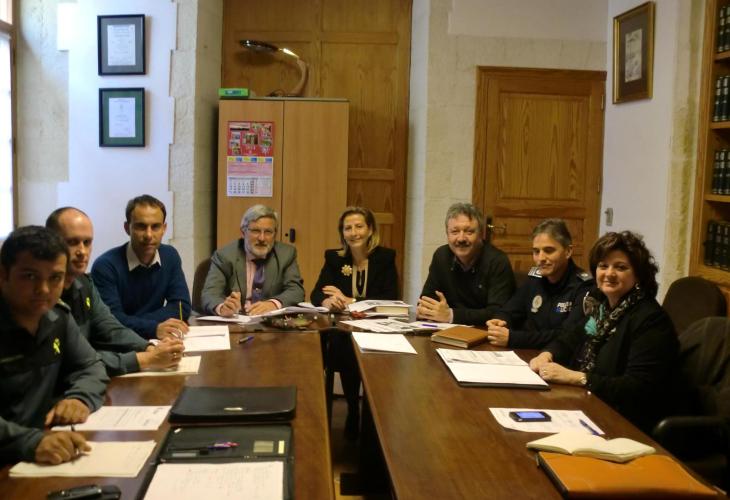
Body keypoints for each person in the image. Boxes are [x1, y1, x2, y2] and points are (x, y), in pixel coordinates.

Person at [529, 231, 678, 432]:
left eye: (620, 267)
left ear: (638, 275)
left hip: (627, 421)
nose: (609, 273)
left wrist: (576, 377)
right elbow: (570, 338)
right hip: (591, 403)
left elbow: (638, 387)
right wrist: (546, 354)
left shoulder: (650, 320)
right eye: (603, 266)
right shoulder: (603, 308)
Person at [0, 226, 108, 465]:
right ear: (3, 274)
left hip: (37, 455)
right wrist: (30, 442)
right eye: (30, 276)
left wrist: (79, 398)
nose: (44, 290)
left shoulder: (57, 317)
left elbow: (90, 366)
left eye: (55, 278)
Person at [46, 207, 185, 376]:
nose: (82, 251)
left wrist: (148, 347)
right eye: (72, 242)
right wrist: (145, 358)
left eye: (87, 243)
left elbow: (110, 328)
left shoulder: (84, 283)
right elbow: (74, 361)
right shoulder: (42, 295)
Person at [311, 207, 398, 439]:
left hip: (376, 328)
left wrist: (351, 301)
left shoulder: (385, 258)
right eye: (347, 228)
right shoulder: (335, 258)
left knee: (367, 350)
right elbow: (316, 294)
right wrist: (328, 301)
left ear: (370, 230)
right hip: (345, 329)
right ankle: (352, 407)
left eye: (359, 226)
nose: (353, 232)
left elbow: (390, 299)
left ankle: (372, 414)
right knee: (343, 344)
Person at [91, 195, 191, 340]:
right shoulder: (105, 266)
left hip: (159, 339)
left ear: (164, 229)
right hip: (121, 344)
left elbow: (181, 307)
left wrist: (133, 322)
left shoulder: (170, 256)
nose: (149, 235)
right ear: (127, 228)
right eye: (141, 227)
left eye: (155, 227)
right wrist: (152, 328)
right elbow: (112, 321)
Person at [486, 219, 594, 349]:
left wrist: (513, 338)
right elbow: (509, 310)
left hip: (559, 357)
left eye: (548, 250)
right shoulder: (535, 279)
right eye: (536, 251)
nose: (541, 258)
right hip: (527, 352)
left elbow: (566, 335)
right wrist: (500, 322)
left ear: (568, 251)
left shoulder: (583, 286)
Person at [418, 202, 515, 325]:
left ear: (481, 234)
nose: (461, 238)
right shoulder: (441, 256)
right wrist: (425, 310)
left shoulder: (498, 261)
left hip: (483, 331)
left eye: (469, 232)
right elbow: (427, 299)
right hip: (446, 329)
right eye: (455, 232)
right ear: (447, 234)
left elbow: (497, 313)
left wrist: (451, 315)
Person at [201, 204, 305, 316]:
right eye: (255, 231)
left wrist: (273, 304)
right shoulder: (225, 256)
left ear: (275, 234)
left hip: (270, 321)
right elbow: (210, 294)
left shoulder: (286, 254)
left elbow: (296, 291)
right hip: (236, 319)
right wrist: (222, 307)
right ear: (243, 232)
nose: (262, 238)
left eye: (268, 232)